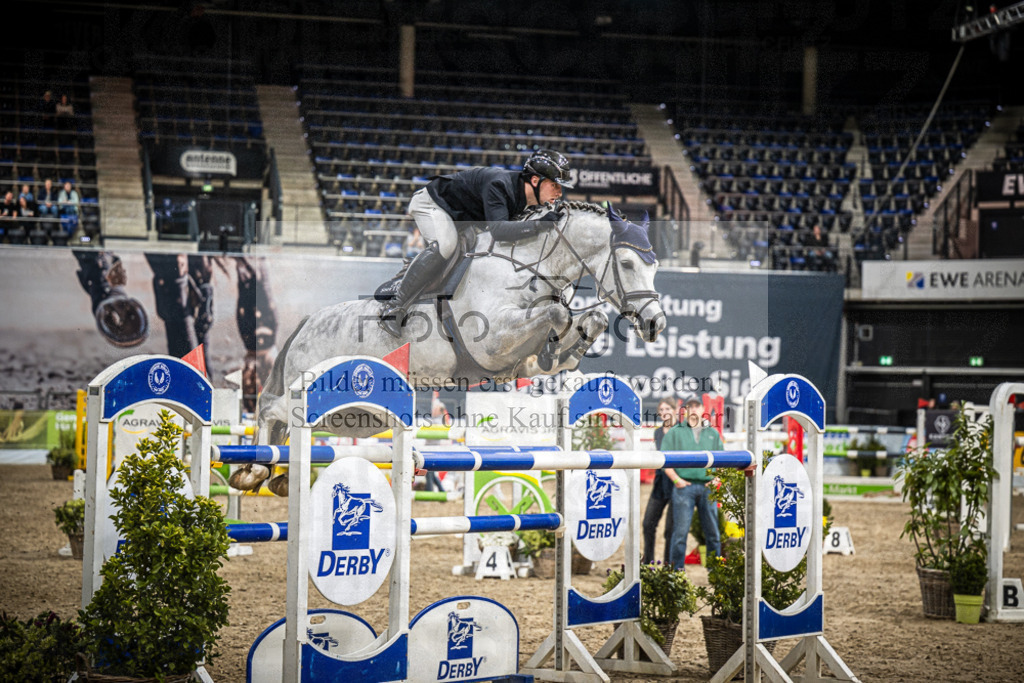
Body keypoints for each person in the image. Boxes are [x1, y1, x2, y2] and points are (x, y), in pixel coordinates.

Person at [378, 148, 574, 337]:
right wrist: (540, 224)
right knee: (447, 246)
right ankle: (394, 307)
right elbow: (498, 231)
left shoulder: (527, 202)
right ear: (534, 180)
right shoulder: (500, 185)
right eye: (555, 185)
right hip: (432, 204)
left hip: (461, 218)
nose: (559, 193)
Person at [664, 395, 723, 569]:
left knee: (713, 533)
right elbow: (664, 460)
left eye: (697, 406)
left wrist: (716, 480)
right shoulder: (675, 432)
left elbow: (722, 460)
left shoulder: (712, 433)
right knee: (680, 533)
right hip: (684, 487)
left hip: (707, 487)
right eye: (690, 406)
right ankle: (676, 572)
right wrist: (677, 480)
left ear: (703, 409)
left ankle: (715, 571)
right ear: (685, 410)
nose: (694, 409)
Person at [641, 397, 678, 565]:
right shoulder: (657, 432)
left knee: (670, 530)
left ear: (675, 410)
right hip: (660, 484)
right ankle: (647, 560)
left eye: (667, 410)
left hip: (677, 484)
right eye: (661, 410)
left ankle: (669, 565)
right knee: (648, 523)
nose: (664, 413)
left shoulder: (683, 431)